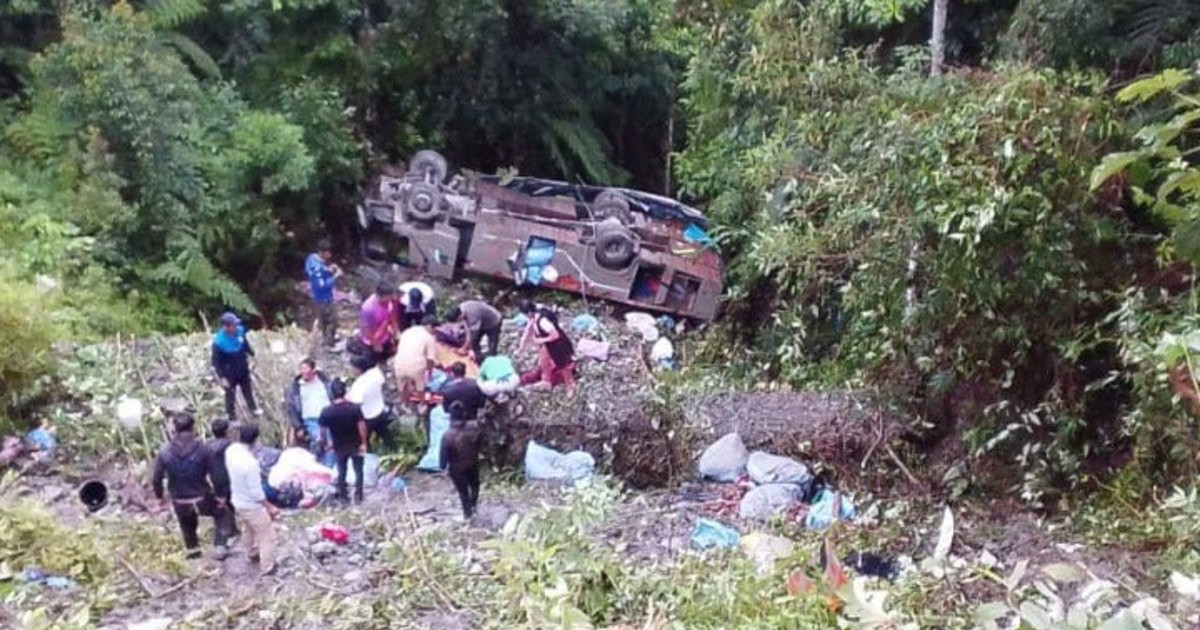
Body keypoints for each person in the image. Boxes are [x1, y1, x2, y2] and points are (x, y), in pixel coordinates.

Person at [152, 413, 228, 559]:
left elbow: (156, 479)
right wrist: (221, 496)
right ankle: (220, 546)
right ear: (193, 428)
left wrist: (159, 497)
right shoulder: (204, 449)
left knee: (187, 526)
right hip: (202, 496)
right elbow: (217, 475)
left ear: (175, 429)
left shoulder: (165, 452)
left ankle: (194, 552)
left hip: (180, 500)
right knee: (222, 513)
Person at [226, 424, 278, 577]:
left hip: (237, 500)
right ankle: (267, 567)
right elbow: (256, 492)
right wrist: (270, 507)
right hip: (251, 505)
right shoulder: (250, 464)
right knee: (267, 536)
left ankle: (251, 552)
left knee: (248, 528)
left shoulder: (232, 451)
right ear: (256, 440)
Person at [320, 380, 368, 504]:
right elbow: (362, 427)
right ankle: (359, 496)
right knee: (359, 470)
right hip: (355, 443)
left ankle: (343, 496)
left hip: (338, 445)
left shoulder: (326, 411)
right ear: (345, 391)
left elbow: (322, 432)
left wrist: (326, 444)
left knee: (342, 471)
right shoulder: (354, 408)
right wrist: (363, 442)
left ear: (331, 394)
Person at [516, 301, 576, 397]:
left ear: (529, 312)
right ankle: (545, 381)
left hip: (557, 343)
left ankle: (570, 385)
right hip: (546, 343)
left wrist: (540, 340)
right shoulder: (533, 318)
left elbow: (555, 334)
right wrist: (521, 347)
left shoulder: (543, 321)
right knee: (543, 361)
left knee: (563, 365)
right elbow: (528, 330)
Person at [439, 402, 483, 522]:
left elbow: (442, 461)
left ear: (451, 417)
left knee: (463, 493)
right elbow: (481, 444)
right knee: (475, 485)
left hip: (457, 469)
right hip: (473, 463)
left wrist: (443, 467)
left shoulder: (447, 436)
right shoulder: (474, 427)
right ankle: (474, 505)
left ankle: (468, 515)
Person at [212, 312, 260, 420]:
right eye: (233, 325)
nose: (235, 327)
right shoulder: (219, 342)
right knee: (230, 395)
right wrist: (222, 377)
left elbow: (245, 344)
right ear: (226, 327)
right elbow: (215, 362)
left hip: (242, 366)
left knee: (247, 389)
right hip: (229, 371)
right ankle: (231, 415)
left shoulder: (240, 331)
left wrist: (252, 354)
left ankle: (253, 408)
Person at [283, 358, 333, 455]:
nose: (304, 372)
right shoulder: (295, 388)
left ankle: (329, 467)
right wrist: (298, 426)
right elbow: (291, 408)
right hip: (311, 420)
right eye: (302, 369)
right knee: (318, 441)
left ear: (313, 370)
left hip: (329, 417)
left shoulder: (325, 383)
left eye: (306, 369)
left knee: (331, 443)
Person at [347, 354, 394, 450]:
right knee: (385, 434)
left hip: (367, 417)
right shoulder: (375, 373)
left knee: (364, 440)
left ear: (358, 369)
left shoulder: (359, 384)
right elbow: (382, 382)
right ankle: (393, 449)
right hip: (379, 410)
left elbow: (356, 403)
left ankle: (370, 456)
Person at [393, 314, 438, 408]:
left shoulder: (407, 331)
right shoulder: (429, 338)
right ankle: (422, 404)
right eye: (434, 329)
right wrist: (429, 373)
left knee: (401, 386)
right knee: (420, 386)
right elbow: (431, 359)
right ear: (430, 326)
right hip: (416, 367)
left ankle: (405, 404)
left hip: (399, 363)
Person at [206, 418, 239, 541]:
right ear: (226, 431)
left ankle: (228, 528)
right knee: (231, 502)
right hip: (228, 476)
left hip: (215, 477)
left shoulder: (208, 445)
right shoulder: (230, 445)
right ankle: (231, 529)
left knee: (223, 503)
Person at [305, 239, 343, 348]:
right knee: (332, 321)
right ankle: (328, 343)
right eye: (328, 253)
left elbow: (316, 271)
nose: (330, 255)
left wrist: (328, 270)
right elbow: (321, 285)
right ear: (322, 252)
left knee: (323, 320)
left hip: (317, 297)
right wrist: (335, 276)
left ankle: (324, 341)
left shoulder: (311, 259)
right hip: (323, 298)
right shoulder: (317, 268)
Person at [358, 283, 400, 365]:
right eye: (387, 298)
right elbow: (366, 329)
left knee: (387, 358)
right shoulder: (368, 308)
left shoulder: (389, 302)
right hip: (372, 339)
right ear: (379, 296)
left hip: (385, 336)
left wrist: (395, 332)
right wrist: (375, 343)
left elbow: (392, 317)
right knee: (370, 363)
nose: (389, 300)